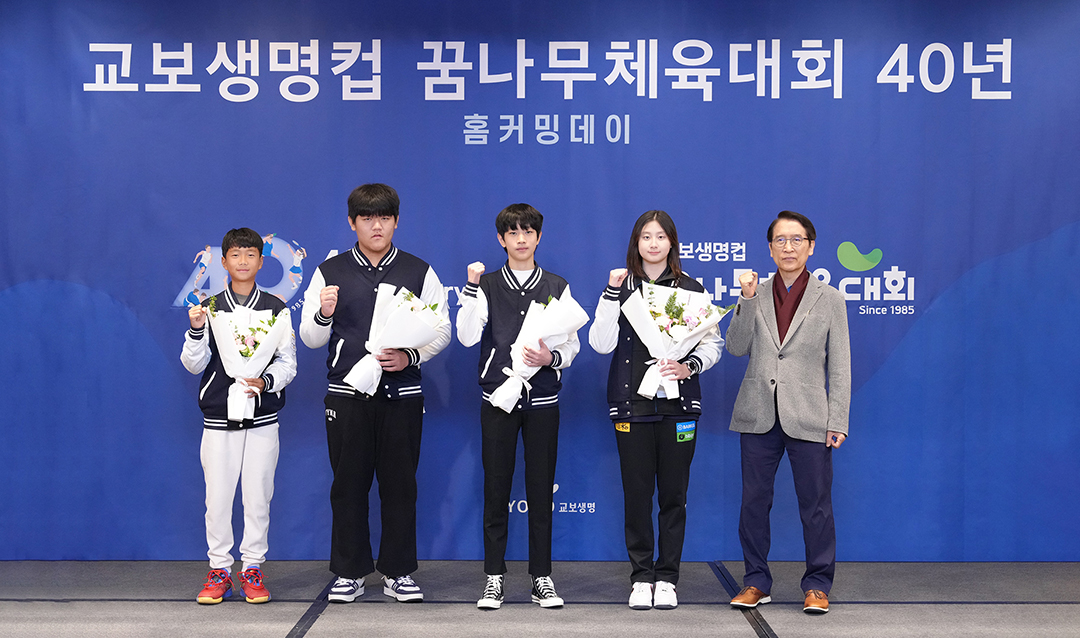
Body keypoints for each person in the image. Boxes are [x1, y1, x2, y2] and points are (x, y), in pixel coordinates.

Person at [299, 183, 450, 604]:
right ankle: (349, 572)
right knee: (348, 485)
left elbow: (442, 330)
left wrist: (410, 356)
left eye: (384, 217)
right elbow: (310, 338)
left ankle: (398, 572)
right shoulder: (329, 272)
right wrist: (323, 312)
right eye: (367, 218)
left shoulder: (419, 271)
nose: (376, 225)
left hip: (402, 396)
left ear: (396, 221)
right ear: (352, 222)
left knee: (400, 486)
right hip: (347, 395)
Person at [588, 210, 723, 610]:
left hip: (679, 405)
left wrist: (688, 366)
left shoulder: (691, 289)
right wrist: (610, 294)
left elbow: (712, 344)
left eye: (660, 236)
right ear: (636, 242)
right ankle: (641, 577)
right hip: (632, 404)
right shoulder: (621, 287)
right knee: (636, 493)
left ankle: (667, 578)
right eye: (646, 236)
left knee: (674, 494)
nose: (653, 243)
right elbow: (600, 343)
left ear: (671, 243)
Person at [456, 203, 581, 610]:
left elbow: (572, 345)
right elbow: (466, 337)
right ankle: (494, 577)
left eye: (528, 232)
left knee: (541, 489)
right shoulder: (488, 284)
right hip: (499, 399)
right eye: (513, 232)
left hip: (543, 400)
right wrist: (471, 288)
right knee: (496, 487)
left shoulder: (557, 285)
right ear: (501, 239)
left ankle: (541, 577)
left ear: (539, 237)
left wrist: (550, 359)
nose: (521, 239)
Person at [725, 210, 850, 615]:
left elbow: (840, 365)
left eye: (797, 240)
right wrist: (745, 300)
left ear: (811, 246)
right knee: (753, 503)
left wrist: (838, 420)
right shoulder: (754, 292)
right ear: (770, 248)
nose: (789, 247)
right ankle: (756, 581)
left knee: (816, 505)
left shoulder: (830, 298)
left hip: (810, 415)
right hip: (758, 411)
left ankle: (817, 585)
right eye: (780, 240)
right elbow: (736, 347)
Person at [181, 228, 297, 605]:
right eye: (235, 255)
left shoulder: (277, 308)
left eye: (250, 255)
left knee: (258, 496)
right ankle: (219, 569)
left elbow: (288, 363)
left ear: (262, 262)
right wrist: (196, 330)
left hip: (262, 416)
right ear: (223, 261)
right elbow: (193, 363)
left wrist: (265, 382)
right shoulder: (210, 307)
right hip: (219, 417)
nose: (243, 261)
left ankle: (252, 568)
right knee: (217, 498)